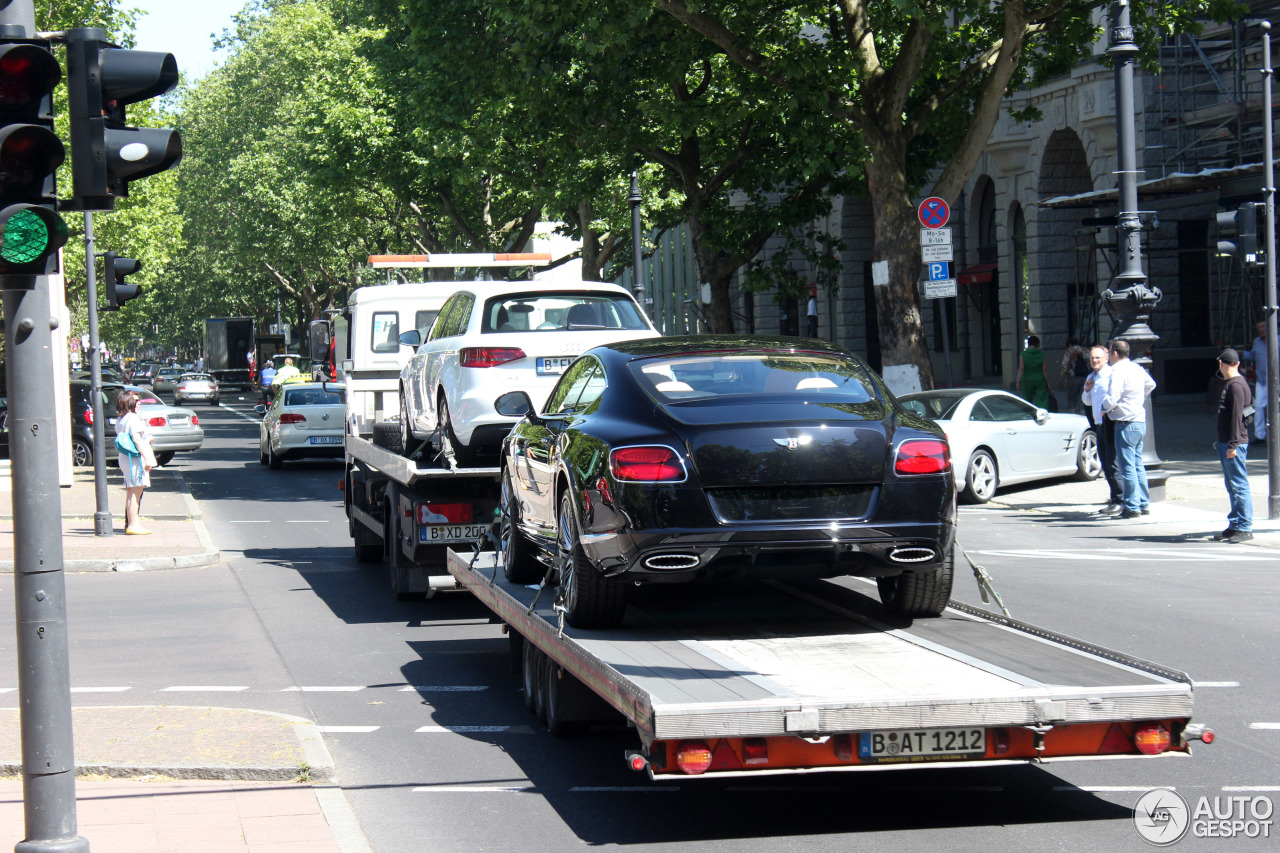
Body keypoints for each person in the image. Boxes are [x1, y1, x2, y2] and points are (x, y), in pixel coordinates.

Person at [1100, 340, 1156, 519]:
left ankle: (1132, 506)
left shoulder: (1117, 371)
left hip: (1125, 422)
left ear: (1115, 354)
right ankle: (1143, 502)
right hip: (1139, 420)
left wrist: (1104, 408)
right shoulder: (1136, 368)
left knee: (1127, 467)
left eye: (1110, 353)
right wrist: (1137, 399)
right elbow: (1150, 385)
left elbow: (1112, 396)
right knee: (1138, 464)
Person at [1213, 349, 1254, 543]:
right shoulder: (1238, 383)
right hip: (1229, 442)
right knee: (1232, 485)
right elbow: (1250, 413)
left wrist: (1234, 444)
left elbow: (1239, 415)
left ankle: (1244, 526)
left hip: (1233, 444)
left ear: (1222, 363)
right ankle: (1236, 523)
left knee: (1238, 485)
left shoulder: (1236, 385)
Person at [1080, 344, 1123, 516]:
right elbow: (1088, 402)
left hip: (1110, 423)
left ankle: (1121, 500)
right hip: (1098, 424)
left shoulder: (1111, 375)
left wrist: (1107, 409)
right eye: (1092, 358)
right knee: (1106, 463)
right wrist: (1087, 389)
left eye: (1098, 357)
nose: (1095, 361)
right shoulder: (1092, 376)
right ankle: (1115, 499)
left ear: (1107, 358)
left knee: (1113, 463)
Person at [115, 390, 157, 535]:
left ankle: (132, 523)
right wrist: (149, 457)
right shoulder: (133, 418)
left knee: (131, 490)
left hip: (125, 457)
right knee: (136, 491)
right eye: (136, 400)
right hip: (135, 459)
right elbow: (137, 439)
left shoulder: (121, 418)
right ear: (129, 403)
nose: (139, 403)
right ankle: (133, 524)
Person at [1016, 334, 1051, 409]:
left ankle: (1029, 415)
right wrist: (1048, 383)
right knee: (1042, 401)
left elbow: (1021, 368)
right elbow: (1044, 369)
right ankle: (1043, 414)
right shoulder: (1041, 354)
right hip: (1040, 379)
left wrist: (1018, 381)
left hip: (1027, 379)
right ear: (1037, 344)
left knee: (1027, 400)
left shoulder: (1023, 354)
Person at [1248, 320, 1269, 442]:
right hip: (1262, 380)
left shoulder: (1278, 340)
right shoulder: (1257, 341)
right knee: (1259, 406)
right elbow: (1253, 355)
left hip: (1277, 378)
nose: (1261, 329)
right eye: (1259, 327)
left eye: (1263, 326)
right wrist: (1242, 353)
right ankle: (1260, 435)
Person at [1059, 337, 1088, 414]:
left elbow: (1065, 366)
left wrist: (1061, 380)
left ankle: (1073, 413)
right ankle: (1082, 413)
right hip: (1084, 376)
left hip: (1073, 376)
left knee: (1072, 398)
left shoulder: (1069, 351)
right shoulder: (1084, 350)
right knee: (1083, 397)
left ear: (1069, 344)